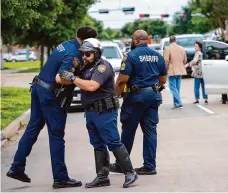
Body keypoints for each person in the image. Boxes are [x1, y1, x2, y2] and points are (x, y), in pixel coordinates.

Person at [6, 26, 98, 189]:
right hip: (51, 94)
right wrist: (79, 80)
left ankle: (16, 167)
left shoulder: (66, 44)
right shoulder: (74, 54)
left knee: (32, 129)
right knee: (56, 134)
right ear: (85, 41)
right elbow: (61, 77)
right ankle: (60, 178)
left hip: (38, 87)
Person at [59, 38, 138, 188]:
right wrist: (74, 70)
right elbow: (73, 78)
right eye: (83, 54)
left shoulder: (103, 67)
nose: (84, 57)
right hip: (91, 112)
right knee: (97, 144)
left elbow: (91, 86)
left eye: (88, 54)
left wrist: (73, 78)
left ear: (96, 53)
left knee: (113, 142)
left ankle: (130, 172)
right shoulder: (86, 67)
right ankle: (102, 177)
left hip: (105, 111)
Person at [110, 30, 167, 175]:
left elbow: (122, 80)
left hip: (135, 98)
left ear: (135, 40)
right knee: (150, 132)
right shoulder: (157, 56)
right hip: (152, 97)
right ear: (147, 40)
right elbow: (163, 80)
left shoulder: (131, 56)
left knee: (128, 131)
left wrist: (116, 96)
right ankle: (149, 166)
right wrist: (153, 88)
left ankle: (121, 164)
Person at [164, 35, 187, 109]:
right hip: (180, 70)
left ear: (169, 41)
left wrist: (165, 68)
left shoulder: (167, 48)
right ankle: (176, 104)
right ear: (175, 40)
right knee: (177, 88)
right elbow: (185, 60)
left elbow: (166, 60)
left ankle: (179, 102)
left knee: (172, 88)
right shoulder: (182, 48)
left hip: (172, 71)